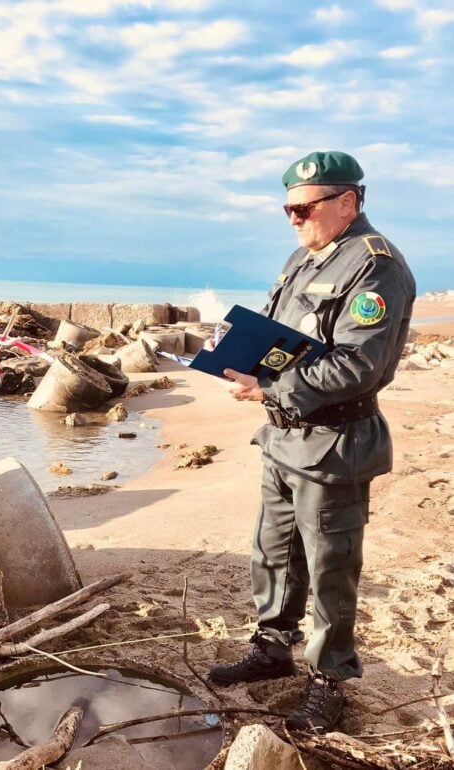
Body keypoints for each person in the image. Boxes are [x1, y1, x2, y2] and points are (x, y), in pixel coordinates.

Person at [208, 151, 416, 732]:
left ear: (348, 202)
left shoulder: (376, 267)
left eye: (304, 208)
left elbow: (359, 366)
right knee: (273, 552)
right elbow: (283, 337)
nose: (293, 219)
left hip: (335, 442)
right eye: (288, 209)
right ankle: (272, 651)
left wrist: (270, 386)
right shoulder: (305, 257)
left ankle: (329, 679)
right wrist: (239, 357)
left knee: (330, 565)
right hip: (282, 437)